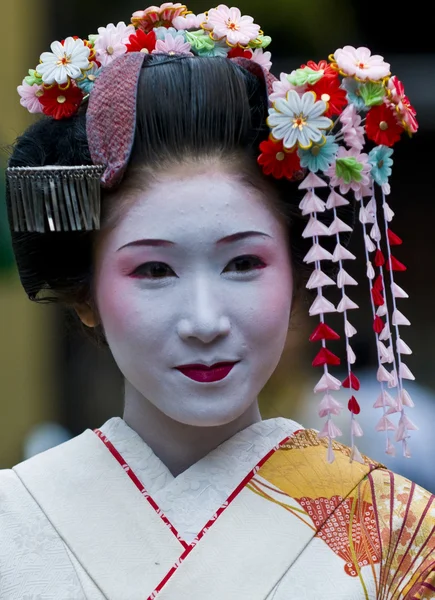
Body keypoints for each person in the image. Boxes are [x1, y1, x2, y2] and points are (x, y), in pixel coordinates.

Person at [1, 4, 432, 599]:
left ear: (301, 277)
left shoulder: (400, 537)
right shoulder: (14, 521)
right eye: (153, 269)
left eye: (243, 264)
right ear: (85, 293)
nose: (205, 321)